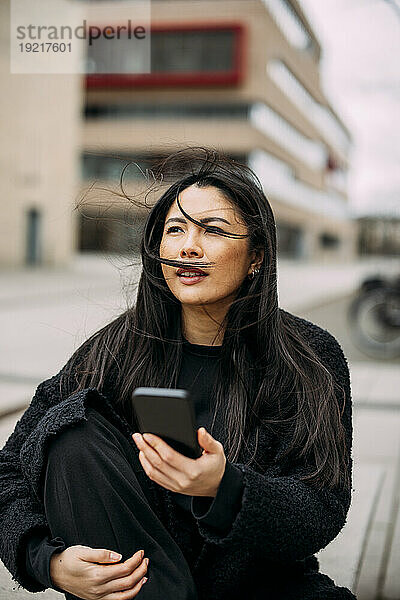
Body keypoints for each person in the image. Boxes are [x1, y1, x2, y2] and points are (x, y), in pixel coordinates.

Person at [0, 147, 357, 600]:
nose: (189, 245)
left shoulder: (308, 356)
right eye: (175, 229)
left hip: (262, 588)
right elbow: (9, 467)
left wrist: (223, 488)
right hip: (139, 589)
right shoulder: (114, 349)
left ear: (257, 257)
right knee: (71, 428)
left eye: (212, 230)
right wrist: (47, 561)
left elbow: (322, 509)